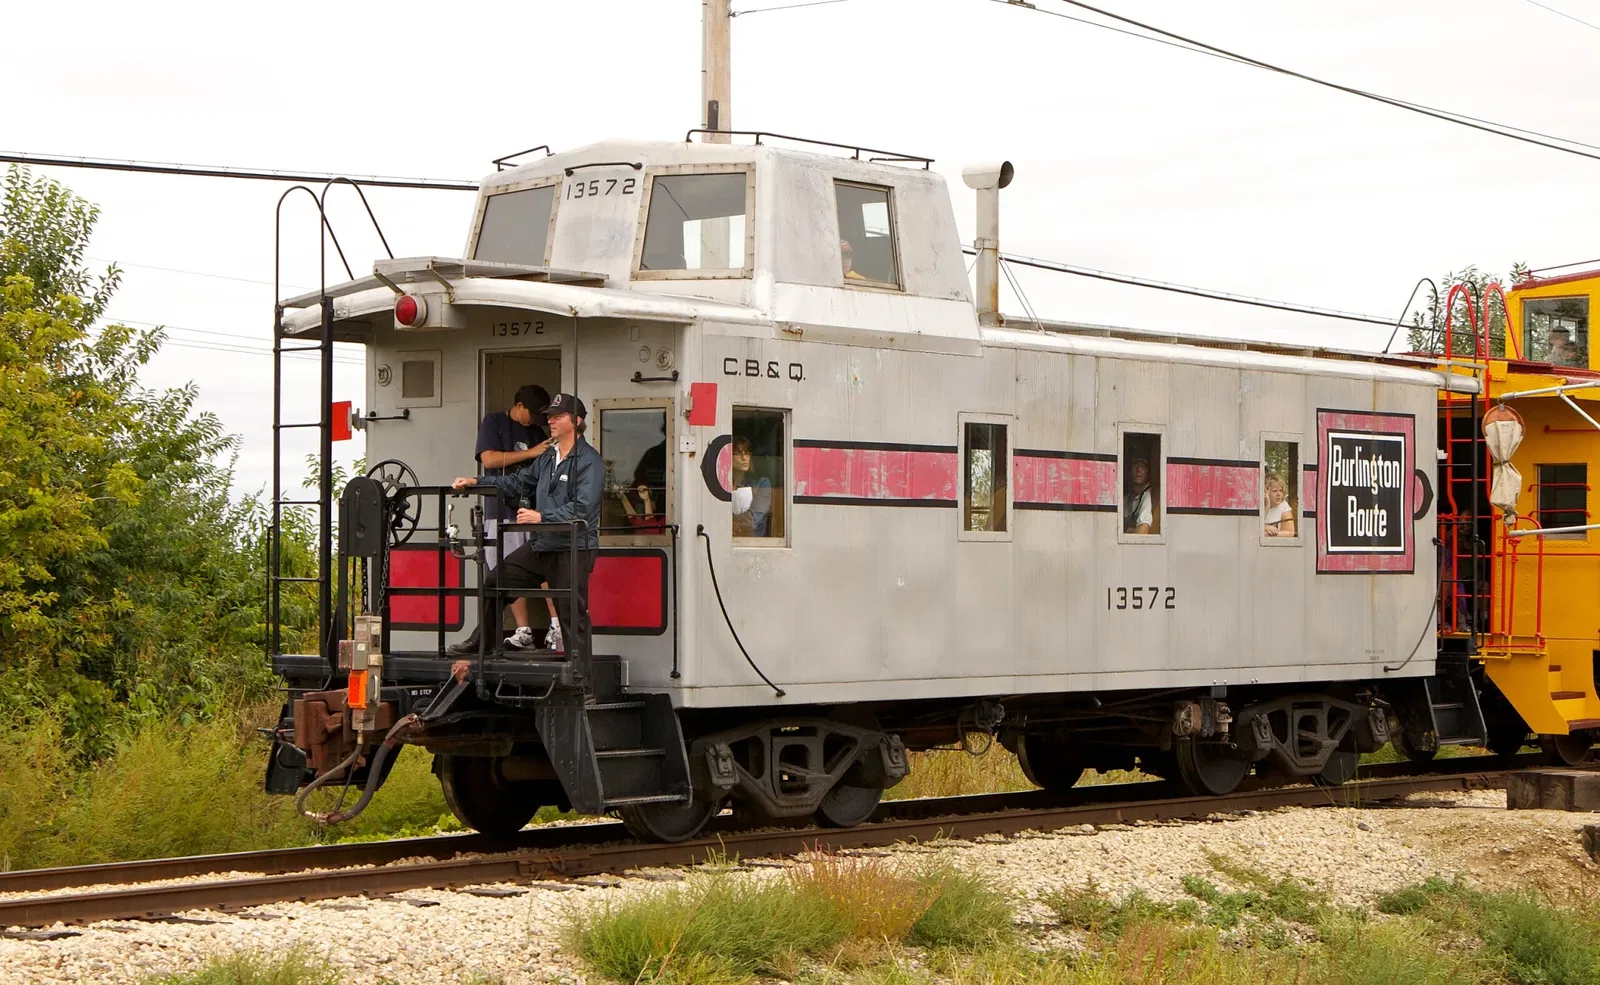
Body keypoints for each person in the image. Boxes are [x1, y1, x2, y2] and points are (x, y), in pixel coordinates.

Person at [450, 393, 602, 670]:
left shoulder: (590, 461)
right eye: (550, 416)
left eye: (558, 417)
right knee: (495, 583)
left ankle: (580, 677)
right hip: (542, 544)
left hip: (572, 547)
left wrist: (541, 515)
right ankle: (484, 643)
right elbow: (521, 482)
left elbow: (583, 507)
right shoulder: (547, 458)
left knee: (571, 612)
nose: (551, 421)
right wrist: (477, 481)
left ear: (577, 421)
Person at [449, 386, 552, 655]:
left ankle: (555, 627)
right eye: (531, 414)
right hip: (500, 510)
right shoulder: (494, 421)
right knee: (504, 571)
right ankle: (523, 630)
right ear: (518, 405)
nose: (534, 421)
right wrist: (531, 453)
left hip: (535, 511)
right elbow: (489, 459)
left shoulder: (537, 432)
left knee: (545, 566)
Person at [730, 435, 772, 537]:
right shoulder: (723, 485)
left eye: (747, 453)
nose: (744, 458)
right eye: (738, 453)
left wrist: (723, 519)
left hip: (751, 544)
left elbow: (752, 521)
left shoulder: (762, 484)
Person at [1124, 458, 1154, 535]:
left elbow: (1143, 530)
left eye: (1143, 466)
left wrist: (1129, 531)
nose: (1138, 470)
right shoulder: (1129, 498)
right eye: (1135, 465)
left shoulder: (1148, 495)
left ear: (1148, 472)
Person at [1262, 473, 1297, 537]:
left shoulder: (1283, 506)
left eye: (1280, 490)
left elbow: (1290, 533)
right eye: (1275, 491)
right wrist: (1265, 527)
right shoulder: (1257, 505)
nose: (1279, 494)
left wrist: (1268, 534)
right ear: (1265, 491)